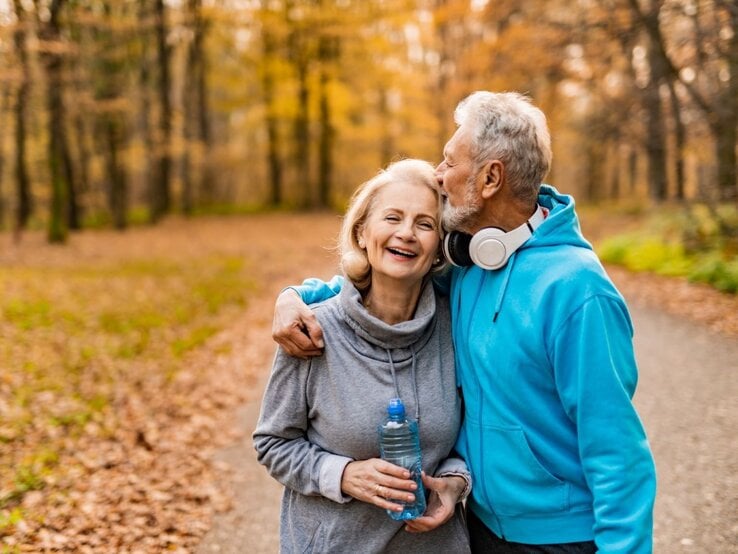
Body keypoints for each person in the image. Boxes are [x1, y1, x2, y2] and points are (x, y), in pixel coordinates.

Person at [271, 91, 657, 553]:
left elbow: (618, 451)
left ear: (490, 177)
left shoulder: (577, 291)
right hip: (477, 530)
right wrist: (294, 296)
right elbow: (381, 279)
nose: (438, 173)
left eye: (449, 161)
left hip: (559, 540)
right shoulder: (470, 265)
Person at [253, 159, 472, 553]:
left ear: (439, 247)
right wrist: (343, 474)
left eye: (425, 224)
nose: (406, 234)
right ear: (362, 232)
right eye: (392, 218)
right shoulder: (311, 331)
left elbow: (476, 433)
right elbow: (273, 444)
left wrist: (455, 482)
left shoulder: (456, 327)